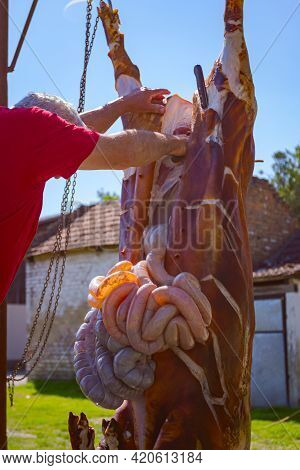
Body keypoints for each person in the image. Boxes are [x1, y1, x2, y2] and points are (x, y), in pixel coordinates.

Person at [0, 88, 187, 304]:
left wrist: (123, 104)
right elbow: (119, 152)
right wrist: (178, 143)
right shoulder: (33, 129)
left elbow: (71, 135)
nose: (61, 176)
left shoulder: (16, 131)